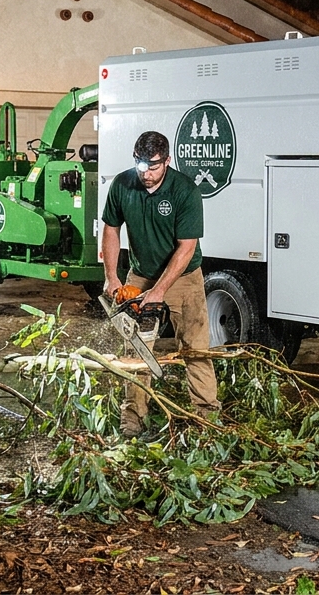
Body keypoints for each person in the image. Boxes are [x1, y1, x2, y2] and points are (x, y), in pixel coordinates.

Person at [101, 131, 219, 437]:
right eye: (141, 166)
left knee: (195, 348)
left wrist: (160, 290)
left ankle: (205, 417)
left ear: (167, 160)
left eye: (153, 167)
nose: (146, 173)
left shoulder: (185, 191)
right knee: (136, 352)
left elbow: (187, 246)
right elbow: (111, 230)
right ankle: (133, 420)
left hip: (184, 278)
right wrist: (111, 276)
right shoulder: (123, 184)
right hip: (139, 277)